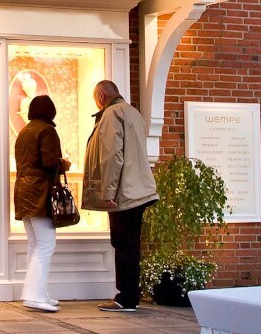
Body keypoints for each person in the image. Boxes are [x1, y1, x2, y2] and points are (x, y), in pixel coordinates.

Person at [81, 79, 157, 312]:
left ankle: (125, 298)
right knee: (130, 244)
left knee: (123, 244)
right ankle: (129, 296)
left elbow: (112, 155)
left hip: (124, 193)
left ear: (101, 97)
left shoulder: (112, 114)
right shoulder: (133, 112)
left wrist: (108, 191)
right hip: (139, 190)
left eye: (96, 99)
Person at [13, 94, 70, 313]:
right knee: (46, 244)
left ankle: (37, 292)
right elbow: (48, 161)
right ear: (50, 112)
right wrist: (63, 163)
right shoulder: (47, 130)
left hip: (23, 191)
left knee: (34, 244)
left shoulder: (24, 131)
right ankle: (34, 295)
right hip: (40, 192)